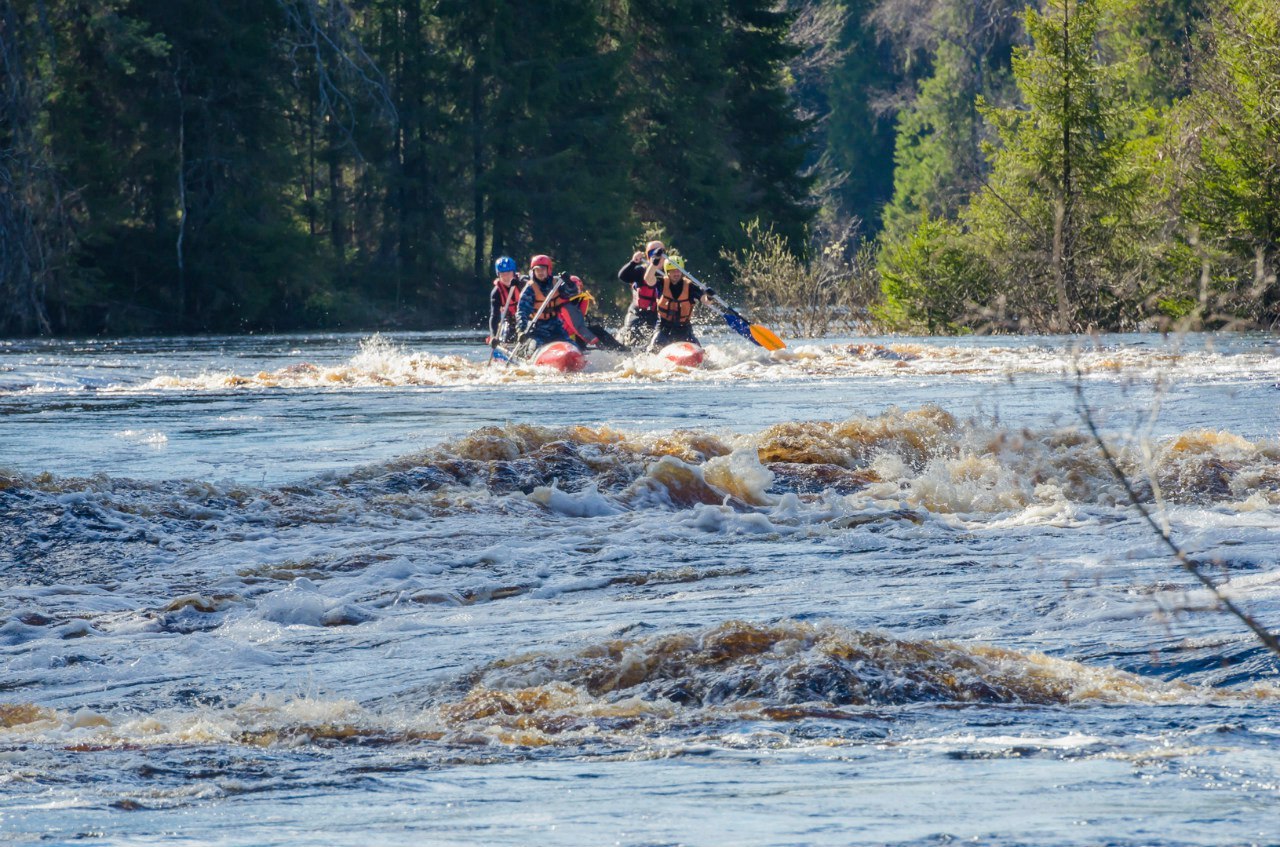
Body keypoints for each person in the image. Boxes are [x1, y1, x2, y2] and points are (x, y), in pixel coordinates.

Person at [647, 255, 715, 352]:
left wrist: (709, 296)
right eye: (673, 270)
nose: (676, 273)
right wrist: (654, 263)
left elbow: (706, 301)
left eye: (678, 270)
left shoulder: (690, 286)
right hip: (664, 327)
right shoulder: (661, 283)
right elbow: (648, 280)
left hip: (684, 328)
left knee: (700, 350)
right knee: (653, 347)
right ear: (667, 272)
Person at [516, 254, 575, 353]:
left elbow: (573, 292)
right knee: (533, 349)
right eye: (537, 270)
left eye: (543, 269)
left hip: (555, 326)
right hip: (537, 329)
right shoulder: (530, 288)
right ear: (533, 271)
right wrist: (521, 330)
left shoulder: (557, 283)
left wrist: (569, 283)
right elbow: (522, 311)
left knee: (572, 346)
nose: (540, 272)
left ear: (549, 270)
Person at [617, 240, 665, 348]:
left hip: (656, 316)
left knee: (658, 339)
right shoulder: (641, 271)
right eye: (652, 253)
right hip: (637, 313)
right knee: (632, 335)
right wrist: (633, 262)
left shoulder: (670, 274)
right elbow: (623, 276)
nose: (657, 255)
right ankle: (624, 340)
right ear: (648, 256)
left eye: (660, 252)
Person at [488, 256, 520, 347]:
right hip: (510, 321)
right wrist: (493, 336)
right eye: (502, 274)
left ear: (514, 273)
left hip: (528, 319)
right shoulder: (496, 292)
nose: (506, 277)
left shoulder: (523, 283)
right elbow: (494, 316)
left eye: (508, 273)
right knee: (507, 334)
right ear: (498, 275)